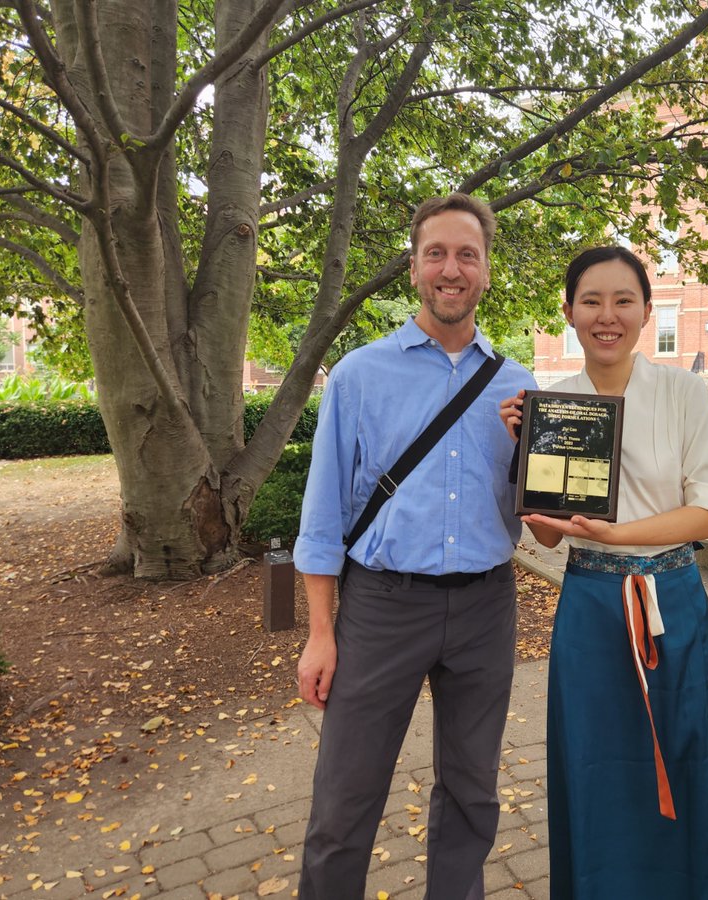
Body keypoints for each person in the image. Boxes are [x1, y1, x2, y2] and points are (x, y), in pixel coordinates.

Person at [294, 193, 537, 900]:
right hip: (380, 608)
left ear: (488, 271)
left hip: (487, 606)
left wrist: (532, 453)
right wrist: (319, 632)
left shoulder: (520, 389)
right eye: (437, 253)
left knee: (472, 795)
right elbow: (323, 514)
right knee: (344, 799)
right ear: (414, 268)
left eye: (467, 254)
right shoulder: (359, 376)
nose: (451, 269)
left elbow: (542, 515)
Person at [500, 246, 708, 899]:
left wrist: (622, 535)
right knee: (595, 762)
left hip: (672, 600)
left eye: (623, 300)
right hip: (591, 608)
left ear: (647, 311)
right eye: (592, 301)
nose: (608, 316)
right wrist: (523, 448)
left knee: (683, 755)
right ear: (570, 312)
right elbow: (547, 533)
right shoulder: (554, 403)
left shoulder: (682, 391)